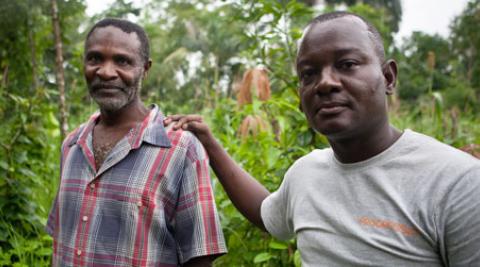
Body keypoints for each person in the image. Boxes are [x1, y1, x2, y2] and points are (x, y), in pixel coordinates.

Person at [164, 11, 480, 266]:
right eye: (309, 74)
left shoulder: (458, 182)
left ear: (388, 77)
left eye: (347, 65)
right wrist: (210, 142)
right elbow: (266, 213)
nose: (325, 83)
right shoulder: (306, 173)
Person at [46, 18, 227, 267]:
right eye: (95, 58)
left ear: (145, 68)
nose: (106, 72)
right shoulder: (71, 145)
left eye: (122, 61)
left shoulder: (180, 149)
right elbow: (61, 242)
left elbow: (199, 258)